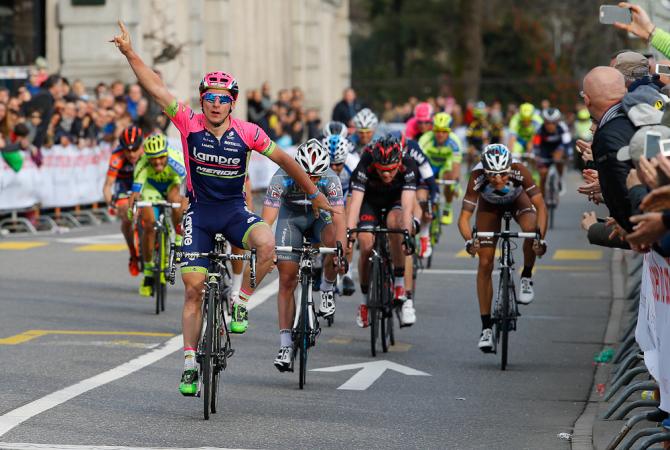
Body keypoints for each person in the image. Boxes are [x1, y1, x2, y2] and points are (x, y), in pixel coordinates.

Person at [111, 20, 336, 396]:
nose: (216, 103)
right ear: (202, 101)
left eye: (223, 98)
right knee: (194, 288)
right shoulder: (187, 122)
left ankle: (241, 303)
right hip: (199, 214)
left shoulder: (248, 132)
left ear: (233, 102)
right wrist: (130, 52)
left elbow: (286, 160)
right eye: (210, 97)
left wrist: (314, 193)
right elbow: (155, 87)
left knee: (268, 246)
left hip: (233, 211)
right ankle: (187, 363)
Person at [262, 139, 346, 371]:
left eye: (317, 176)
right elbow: (267, 219)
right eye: (307, 175)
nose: (312, 181)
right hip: (292, 220)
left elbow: (339, 219)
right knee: (287, 279)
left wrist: (341, 251)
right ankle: (286, 344)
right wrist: (263, 245)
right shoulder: (281, 177)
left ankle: (328, 287)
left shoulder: (331, 179)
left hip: (321, 219)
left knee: (334, 242)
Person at [457, 144, 547, 352]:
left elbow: (541, 206)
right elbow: (464, 218)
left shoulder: (520, 170)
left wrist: (540, 240)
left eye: (503, 174)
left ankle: (525, 277)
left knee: (531, 229)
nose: (498, 180)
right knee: (485, 262)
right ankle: (486, 328)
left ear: (510, 167)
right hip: (489, 208)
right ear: (484, 171)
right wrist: (469, 241)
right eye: (492, 175)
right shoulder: (476, 176)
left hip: (517, 201)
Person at [347, 136, 418, 328]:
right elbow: (355, 204)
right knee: (365, 243)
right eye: (382, 171)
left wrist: (407, 234)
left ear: (399, 163)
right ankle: (363, 302)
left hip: (395, 200)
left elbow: (407, 206)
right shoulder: (366, 163)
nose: (386, 175)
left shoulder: (409, 164)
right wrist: (350, 236)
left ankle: (399, 285)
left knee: (395, 223)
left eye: (391, 170)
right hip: (370, 202)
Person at [127, 133, 187, 297]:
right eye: (153, 158)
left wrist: (184, 206)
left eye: (161, 157)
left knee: (175, 201)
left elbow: (188, 188)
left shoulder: (176, 159)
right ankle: (147, 272)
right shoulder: (142, 162)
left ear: (166, 153)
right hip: (151, 188)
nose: (158, 162)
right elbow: (136, 191)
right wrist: (132, 208)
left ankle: (178, 241)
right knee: (149, 226)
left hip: (172, 184)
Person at [582, 66, 636, 232]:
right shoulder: (638, 113)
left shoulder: (607, 135)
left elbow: (623, 193)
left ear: (587, 100)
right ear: (625, 90)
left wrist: (631, 230)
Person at [102, 125, 145, 276]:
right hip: (125, 186)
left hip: (145, 184)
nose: (131, 154)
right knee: (125, 215)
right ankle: (133, 254)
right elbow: (107, 186)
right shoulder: (117, 156)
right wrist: (111, 204)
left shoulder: (147, 152)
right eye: (128, 150)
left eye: (135, 149)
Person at [324, 133, 360, 295]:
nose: (334, 168)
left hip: (347, 195)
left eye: (338, 164)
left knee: (347, 230)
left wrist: (346, 223)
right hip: (325, 194)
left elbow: (354, 196)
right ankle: (319, 260)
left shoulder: (354, 164)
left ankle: (348, 273)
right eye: (330, 164)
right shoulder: (320, 164)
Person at [418, 112, 463, 225]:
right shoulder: (425, 139)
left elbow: (456, 166)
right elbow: (417, 162)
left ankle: (447, 207)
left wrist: (456, 184)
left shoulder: (455, 142)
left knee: (450, 177)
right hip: (429, 166)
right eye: (437, 131)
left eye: (444, 131)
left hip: (445, 167)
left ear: (449, 131)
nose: (440, 134)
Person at [533, 107, 571, 196]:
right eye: (547, 123)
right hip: (544, 149)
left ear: (557, 122)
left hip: (558, 147)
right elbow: (536, 143)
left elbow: (567, 143)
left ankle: (560, 179)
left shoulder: (562, 127)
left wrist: (569, 155)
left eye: (553, 123)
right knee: (542, 174)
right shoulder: (539, 128)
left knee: (558, 156)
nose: (550, 125)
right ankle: (543, 197)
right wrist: (536, 155)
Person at [465, 101, 489, 170]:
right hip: (473, 143)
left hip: (482, 144)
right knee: (471, 153)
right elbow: (468, 136)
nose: (480, 119)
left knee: (481, 157)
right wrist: (471, 146)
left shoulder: (486, 124)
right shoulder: (472, 124)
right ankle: (468, 169)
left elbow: (487, 137)